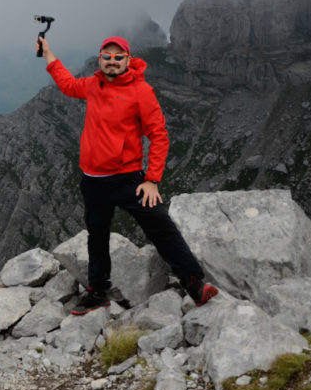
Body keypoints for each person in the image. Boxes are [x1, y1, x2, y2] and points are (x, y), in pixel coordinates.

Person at [37, 34, 219, 315]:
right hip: (93, 180)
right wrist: (48, 55)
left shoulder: (141, 91)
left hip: (127, 178)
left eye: (118, 57)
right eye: (107, 57)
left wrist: (152, 179)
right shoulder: (93, 84)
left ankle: (193, 283)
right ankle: (98, 292)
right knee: (96, 237)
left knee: (160, 226)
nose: (112, 62)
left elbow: (159, 135)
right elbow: (68, 84)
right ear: (100, 59)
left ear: (128, 61)